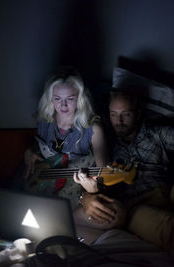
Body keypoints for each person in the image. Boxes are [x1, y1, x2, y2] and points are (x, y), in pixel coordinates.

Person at [74, 91, 174, 258]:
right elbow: (93, 180)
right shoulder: (107, 146)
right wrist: (86, 197)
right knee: (172, 228)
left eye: (126, 114)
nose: (119, 121)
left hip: (173, 196)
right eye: (113, 115)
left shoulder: (153, 133)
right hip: (136, 207)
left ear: (138, 114)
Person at [23, 66, 110, 210]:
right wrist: (29, 152)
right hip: (43, 191)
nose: (63, 105)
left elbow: (104, 178)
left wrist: (93, 190)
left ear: (80, 98)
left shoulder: (94, 129)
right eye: (57, 98)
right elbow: (40, 149)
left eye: (70, 99)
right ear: (50, 99)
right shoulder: (44, 120)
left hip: (77, 196)